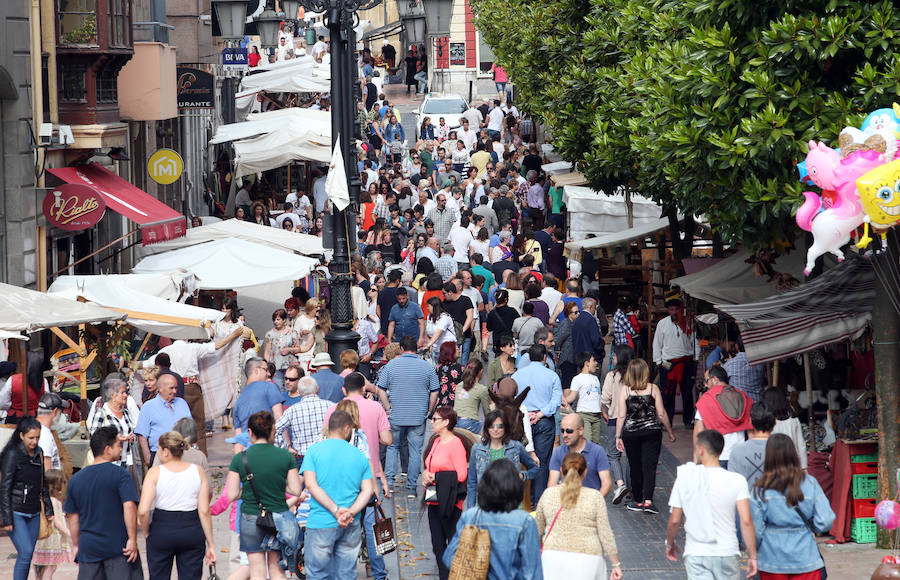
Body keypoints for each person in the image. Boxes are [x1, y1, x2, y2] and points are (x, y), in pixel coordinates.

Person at [666, 430, 758, 580]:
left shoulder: (685, 478)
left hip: (697, 552)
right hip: (727, 551)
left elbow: (675, 520)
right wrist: (753, 556)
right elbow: (746, 521)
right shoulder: (736, 480)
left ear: (701, 450)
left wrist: (670, 544)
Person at [226, 412, 302, 580]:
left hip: (250, 516)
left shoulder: (240, 459)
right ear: (272, 432)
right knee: (276, 570)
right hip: (279, 516)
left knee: (256, 570)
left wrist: (245, 492)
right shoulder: (285, 456)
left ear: (251, 433)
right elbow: (296, 490)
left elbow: (231, 494)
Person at [301, 410, 375, 580]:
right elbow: (368, 490)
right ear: (347, 428)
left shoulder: (313, 451)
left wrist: (335, 510)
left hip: (321, 521)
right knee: (346, 574)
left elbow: (311, 485)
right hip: (351, 522)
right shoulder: (359, 455)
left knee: (317, 574)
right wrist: (350, 512)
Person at [750, 434, 835, 580]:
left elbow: (755, 530)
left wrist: (755, 551)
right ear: (794, 454)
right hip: (806, 557)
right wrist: (812, 528)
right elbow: (826, 520)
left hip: (771, 559)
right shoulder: (810, 483)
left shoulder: (760, 488)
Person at [64, 425, 143, 580]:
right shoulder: (121, 475)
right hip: (118, 548)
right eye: (118, 445)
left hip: (89, 549)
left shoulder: (76, 480)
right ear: (108, 449)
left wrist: (76, 545)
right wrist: (132, 539)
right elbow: (129, 506)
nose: (121, 449)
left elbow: (73, 517)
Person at [445, 459, 543, 579]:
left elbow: (449, 557)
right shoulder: (524, 522)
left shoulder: (470, 516)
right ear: (515, 488)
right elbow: (532, 572)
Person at [138, 431, 215, 579]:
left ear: (166, 451)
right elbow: (204, 510)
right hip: (191, 528)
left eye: (159, 449)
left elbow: (143, 511)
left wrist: (147, 532)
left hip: (162, 527)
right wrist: (210, 543)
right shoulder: (197, 471)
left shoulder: (155, 473)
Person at [535, 452, 623, 580]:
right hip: (589, 558)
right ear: (585, 472)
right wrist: (616, 564)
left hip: (553, 557)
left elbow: (537, 530)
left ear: (561, 470)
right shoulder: (595, 497)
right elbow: (605, 533)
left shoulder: (548, 494)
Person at [377, 336, 439, 495]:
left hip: (396, 414)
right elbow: (435, 390)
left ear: (402, 349)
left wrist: (387, 407)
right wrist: (429, 409)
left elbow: (380, 389)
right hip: (418, 415)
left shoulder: (391, 366)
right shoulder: (427, 367)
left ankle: (389, 482)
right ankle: (411, 486)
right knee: (415, 450)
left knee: (392, 447)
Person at [615, 358, 675, 514]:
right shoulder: (653, 388)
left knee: (635, 466)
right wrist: (670, 431)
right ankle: (648, 501)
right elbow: (661, 413)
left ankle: (637, 500)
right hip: (652, 432)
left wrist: (617, 436)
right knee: (650, 466)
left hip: (631, 433)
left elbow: (621, 416)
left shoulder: (625, 390)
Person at [0, 417, 53, 580]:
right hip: (16, 511)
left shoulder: (39, 452)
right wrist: (7, 517)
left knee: (28, 555)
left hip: (34, 510)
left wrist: (48, 507)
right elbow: (5, 487)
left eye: (37, 437)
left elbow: (42, 481)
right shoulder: (12, 454)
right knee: (26, 552)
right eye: (31, 438)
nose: (34, 441)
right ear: (21, 435)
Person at [421, 406, 470, 580]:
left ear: (446, 422)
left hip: (449, 500)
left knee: (451, 543)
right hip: (433, 498)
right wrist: (426, 475)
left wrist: (436, 476)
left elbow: (462, 474)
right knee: (437, 545)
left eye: (435, 419)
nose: (432, 422)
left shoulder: (455, 443)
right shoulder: (435, 441)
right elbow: (430, 464)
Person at [512, 344, 561, 504]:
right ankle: (540, 499)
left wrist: (526, 414)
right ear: (544, 357)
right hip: (544, 421)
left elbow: (513, 399)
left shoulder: (517, 375)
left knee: (523, 459)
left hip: (521, 421)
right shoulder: (552, 375)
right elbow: (556, 401)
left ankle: (526, 498)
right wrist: (540, 414)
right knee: (542, 460)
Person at [693, 365, 752, 469]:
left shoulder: (707, 398)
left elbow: (699, 429)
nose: (706, 385)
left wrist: (697, 455)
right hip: (741, 453)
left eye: (707, 381)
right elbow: (753, 423)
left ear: (715, 380)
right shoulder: (742, 395)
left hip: (717, 454)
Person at [86, 377, 140, 488]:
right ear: (112, 395)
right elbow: (95, 438)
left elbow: (131, 430)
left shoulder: (125, 412)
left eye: (126, 392)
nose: (126, 395)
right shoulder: (102, 413)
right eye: (123, 393)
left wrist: (132, 437)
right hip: (111, 463)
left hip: (128, 460)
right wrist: (117, 439)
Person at [652, 295, 697, 428]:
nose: (674, 312)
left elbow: (695, 342)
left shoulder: (688, 322)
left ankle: (688, 421)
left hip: (687, 362)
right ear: (668, 311)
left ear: (680, 310)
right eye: (671, 309)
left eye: (676, 309)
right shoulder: (662, 324)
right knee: (667, 394)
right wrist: (658, 362)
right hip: (668, 364)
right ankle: (667, 421)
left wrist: (696, 359)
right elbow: (657, 344)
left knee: (687, 392)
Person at [600, 344, 634, 505]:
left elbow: (605, 397)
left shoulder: (612, 376)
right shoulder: (635, 376)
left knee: (613, 454)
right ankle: (632, 489)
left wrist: (605, 410)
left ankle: (620, 484)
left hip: (614, 419)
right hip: (633, 420)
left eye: (614, 356)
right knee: (631, 455)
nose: (612, 358)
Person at [134, 374, 192, 467]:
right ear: (160, 388)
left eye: (176, 388)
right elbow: (142, 434)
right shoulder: (148, 406)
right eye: (171, 388)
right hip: (159, 454)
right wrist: (148, 457)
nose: (175, 391)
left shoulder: (182, 403)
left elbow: (190, 428)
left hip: (182, 453)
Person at [274, 376, 332, 469]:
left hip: (301, 458)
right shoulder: (330, 406)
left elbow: (275, 430)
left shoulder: (292, 410)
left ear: (299, 392)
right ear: (317, 389)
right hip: (326, 455)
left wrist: (286, 447)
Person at [548, 413, 612, 495]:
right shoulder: (558, 452)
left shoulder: (597, 451)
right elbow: (552, 484)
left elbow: (607, 483)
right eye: (562, 431)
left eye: (569, 431)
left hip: (591, 502)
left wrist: (594, 502)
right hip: (566, 503)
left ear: (580, 430)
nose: (564, 435)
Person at [31, 469, 72, 580]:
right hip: (51, 540)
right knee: (50, 568)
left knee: (40, 569)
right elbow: (57, 522)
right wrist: (69, 533)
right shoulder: (54, 501)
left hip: (41, 539)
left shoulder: (41, 499)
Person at [232, 357, 285, 440]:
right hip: (267, 446)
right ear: (256, 370)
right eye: (265, 370)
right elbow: (279, 418)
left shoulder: (239, 400)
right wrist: (287, 445)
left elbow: (238, 433)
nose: (268, 374)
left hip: (248, 448)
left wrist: (243, 453)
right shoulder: (269, 387)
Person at [727, 403, 774, 485]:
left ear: (749, 421)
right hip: (778, 497)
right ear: (775, 421)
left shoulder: (737, 452)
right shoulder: (784, 448)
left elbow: (733, 486)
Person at [763, 386, 808, 470]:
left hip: (774, 465)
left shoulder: (768, 422)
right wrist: (804, 467)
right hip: (793, 463)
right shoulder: (793, 419)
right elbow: (801, 445)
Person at [564, 351, 604, 444]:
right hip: (584, 414)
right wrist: (563, 401)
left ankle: (593, 459)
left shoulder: (595, 378)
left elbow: (599, 396)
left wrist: (604, 412)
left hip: (597, 414)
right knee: (587, 441)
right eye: (593, 361)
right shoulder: (577, 379)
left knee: (596, 443)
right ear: (586, 363)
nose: (596, 363)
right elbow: (572, 397)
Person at [264, 308, 301, 391]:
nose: (276, 322)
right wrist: (268, 366)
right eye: (274, 320)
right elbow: (267, 352)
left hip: (290, 366)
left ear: (284, 320)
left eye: (278, 319)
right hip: (276, 366)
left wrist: (289, 349)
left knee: (291, 388)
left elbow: (298, 348)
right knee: (278, 388)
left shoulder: (292, 332)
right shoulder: (270, 334)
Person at [6, 352, 46, 424]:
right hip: (36, 419)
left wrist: (15, 406)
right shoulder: (44, 381)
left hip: (16, 419)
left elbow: (2, 403)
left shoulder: (12, 379)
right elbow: (45, 402)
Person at [453, 360, 492, 435]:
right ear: (481, 372)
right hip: (470, 424)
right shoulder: (481, 389)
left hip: (454, 422)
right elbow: (487, 413)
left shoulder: (459, 386)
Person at [723, 338, 766, 403]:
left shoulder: (729, 364)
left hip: (739, 406)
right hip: (758, 404)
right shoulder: (759, 363)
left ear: (736, 346)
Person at [572, 297, 606, 366]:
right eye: (594, 307)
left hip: (580, 359)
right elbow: (596, 340)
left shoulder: (576, 320)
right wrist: (601, 352)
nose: (595, 309)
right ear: (591, 307)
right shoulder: (591, 320)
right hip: (592, 359)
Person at [423, 297, 457, 364]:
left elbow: (438, 333)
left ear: (434, 306)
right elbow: (428, 332)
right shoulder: (429, 316)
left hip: (447, 349)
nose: (427, 308)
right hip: (435, 348)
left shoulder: (445, 317)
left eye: (428, 306)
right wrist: (429, 345)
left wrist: (428, 345)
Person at [35, 393, 62, 471]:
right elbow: (47, 471)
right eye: (61, 411)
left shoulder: (34, 428)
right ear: (55, 411)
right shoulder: (44, 436)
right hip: (50, 482)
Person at [436, 341, 463, 409]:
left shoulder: (437, 368)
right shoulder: (461, 369)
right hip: (456, 405)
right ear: (451, 351)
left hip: (440, 404)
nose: (459, 350)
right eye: (457, 349)